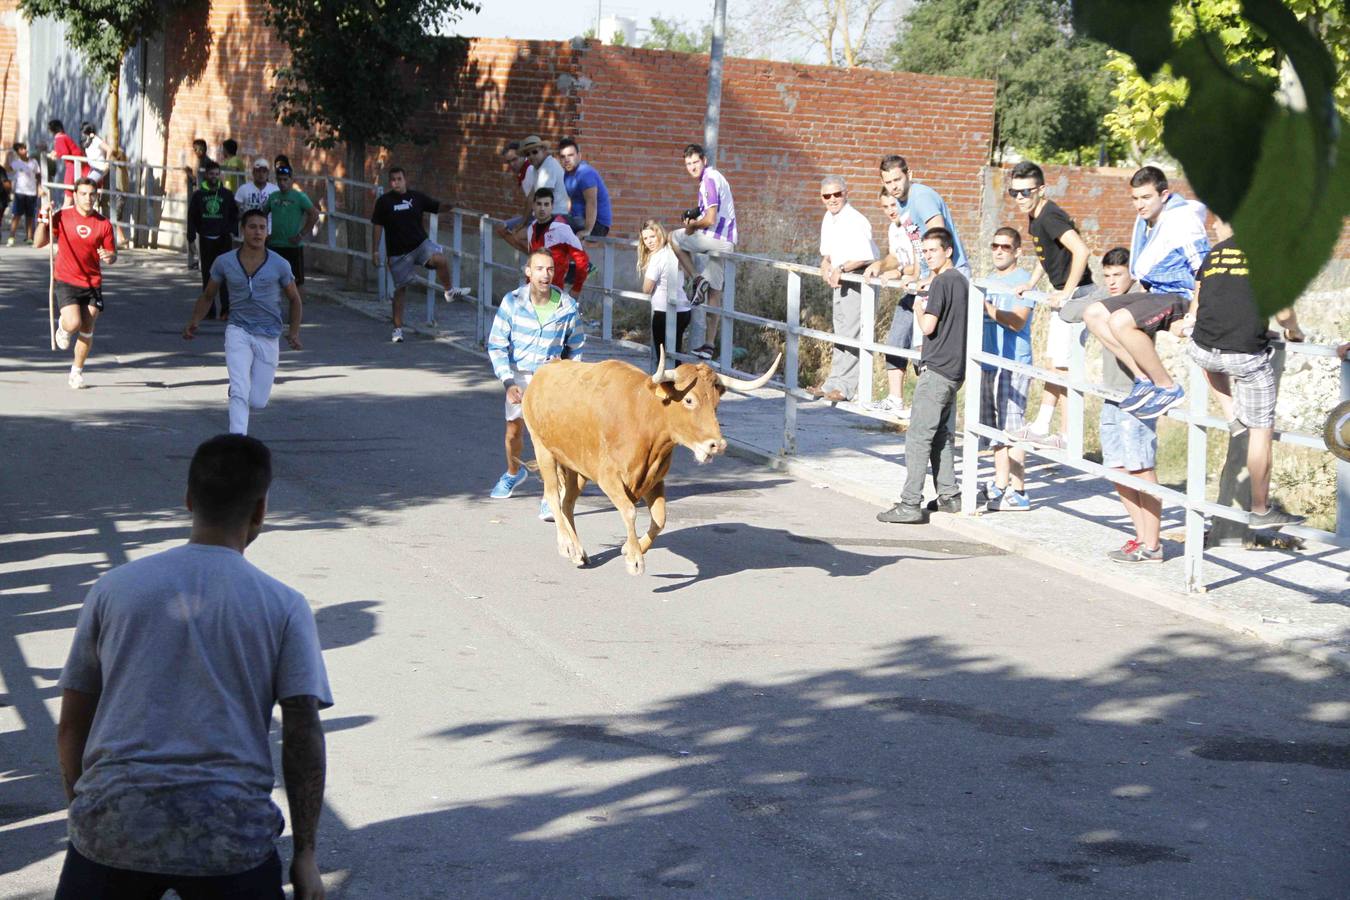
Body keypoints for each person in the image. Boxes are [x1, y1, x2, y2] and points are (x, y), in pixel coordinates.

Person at [54, 434, 330, 900]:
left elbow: (71, 725)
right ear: (261, 509)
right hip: (229, 833)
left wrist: (89, 816)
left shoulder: (114, 589)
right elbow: (303, 733)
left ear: (187, 499)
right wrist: (305, 853)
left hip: (115, 820)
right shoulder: (284, 605)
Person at [1185, 218, 1306, 527]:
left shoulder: (1216, 252)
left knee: (1207, 354)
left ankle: (1231, 414)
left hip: (1202, 349)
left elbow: (1198, 301)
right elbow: (1283, 313)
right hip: (1244, 357)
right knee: (1261, 430)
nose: (1213, 225)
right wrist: (1294, 332)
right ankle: (1261, 509)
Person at [1079, 166, 1210, 422]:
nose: (1139, 204)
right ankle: (1144, 378)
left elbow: (1204, 270)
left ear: (1163, 195)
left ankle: (1168, 387)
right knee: (1093, 313)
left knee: (1121, 321)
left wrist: (1193, 315)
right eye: (1135, 198)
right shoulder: (1145, 222)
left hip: (1180, 295)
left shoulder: (1183, 220)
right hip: (1157, 295)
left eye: (1146, 197)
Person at [877, 228, 969, 524]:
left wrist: (919, 307)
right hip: (955, 369)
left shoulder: (941, 282)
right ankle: (949, 495)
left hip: (937, 368)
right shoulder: (963, 282)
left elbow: (928, 327)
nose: (929, 256)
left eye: (933, 251)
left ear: (948, 251)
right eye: (925, 252)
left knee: (918, 437)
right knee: (942, 435)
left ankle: (909, 503)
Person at [183, 209, 304, 435]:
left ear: (267, 232)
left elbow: (295, 299)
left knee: (258, 401)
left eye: (262, 228)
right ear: (242, 230)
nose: (257, 232)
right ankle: (237, 440)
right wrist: (194, 320)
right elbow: (209, 295)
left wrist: (294, 332)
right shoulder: (224, 262)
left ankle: (239, 389)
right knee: (240, 390)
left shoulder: (280, 264)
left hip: (268, 335)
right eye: (252, 227)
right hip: (238, 330)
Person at [486, 249, 586, 520]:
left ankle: (549, 495)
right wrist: (508, 381)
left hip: (550, 380)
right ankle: (512, 473)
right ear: (528, 272)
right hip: (518, 375)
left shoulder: (566, 306)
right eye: (540, 269)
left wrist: (566, 369)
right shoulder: (513, 302)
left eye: (550, 269)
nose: (546, 274)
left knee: (546, 439)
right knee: (513, 432)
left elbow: (576, 346)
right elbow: (496, 345)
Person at [1005, 161, 1096, 449]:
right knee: (1053, 364)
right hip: (1066, 294)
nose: (1020, 198)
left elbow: (1082, 251)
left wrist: (1067, 292)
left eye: (1026, 192)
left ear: (1041, 190)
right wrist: (1031, 283)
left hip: (1079, 294)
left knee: (1064, 367)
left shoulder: (1050, 216)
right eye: (1014, 192)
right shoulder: (1035, 216)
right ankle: (1043, 426)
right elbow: (1046, 256)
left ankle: (1068, 435)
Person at [1094, 247, 1166, 563]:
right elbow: (1071, 311)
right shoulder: (1104, 301)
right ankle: (1140, 537)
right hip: (1111, 393)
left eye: (1117, 275)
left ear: (1131, 274)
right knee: (1116, 468)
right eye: (1107, 275)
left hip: (1138, 395)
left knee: (1141, 467)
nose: (1111, 282)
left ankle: (1153, 544)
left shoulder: (1140, 304)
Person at [33, 179, 116, 389]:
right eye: (83, 194)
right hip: (66, 279)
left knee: (87, 327)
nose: (88, 198)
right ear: (76, 195)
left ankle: (76, 372)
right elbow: (38, 242)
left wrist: (109, 257)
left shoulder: (103, 223)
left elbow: (112, 254)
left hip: (92, 282)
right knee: (73, 323)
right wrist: (43, 220)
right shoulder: (63, 216)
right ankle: (63, 328)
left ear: (97, 196)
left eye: (92, 194)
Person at [977, 227, 1034, 511]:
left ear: (1017, 252)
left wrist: (990, 311)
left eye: (1006, 247)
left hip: (1014, 362)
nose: (999, 251)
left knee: (1012, 428)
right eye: (995, 245)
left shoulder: (1024, 280)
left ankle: (1020, 491)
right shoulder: (986, 281)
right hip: (989, 360)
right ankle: (1000, 484)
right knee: (996, 430)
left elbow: (1019, 321)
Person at [810, 175, 878, 402]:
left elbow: (864, 257)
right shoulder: (829, 218)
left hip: (857, 279)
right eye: (827, 195)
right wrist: (826, 263)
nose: (832, 199)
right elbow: (828, 251)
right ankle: (833, 382)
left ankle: (846, 388)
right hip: (840, 280)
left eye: (837, 194)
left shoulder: (855, 219)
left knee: (851, 333)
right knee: (840, 332)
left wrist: (839, 267)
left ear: (846, 193)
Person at [369, 166, 454, 342]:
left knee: (440, 259)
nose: (396, 183)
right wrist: (375, 250)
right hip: (398, 253)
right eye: (393, 180)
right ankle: (397, 329)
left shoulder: (417, 197)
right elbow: (377, 226)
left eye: (399, 179)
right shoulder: (384, 202)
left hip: (420, 246)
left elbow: (437, 207)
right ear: (390, 182)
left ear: (405, 180)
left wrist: (453, 205)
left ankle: (449, 291)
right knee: (400, 290)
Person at [669, 143, 738, 359]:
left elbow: (710, 219)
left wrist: (691, 226)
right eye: (688, 164)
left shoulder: (708, 180)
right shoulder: (718, 177)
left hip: (715, 238)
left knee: (674, 237)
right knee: (715, 291)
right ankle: (709, 346)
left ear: (704, 161)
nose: (692, 167)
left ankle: (696, 279)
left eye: (695, 162)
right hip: (729, 241)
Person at [864, 190, 922, 417]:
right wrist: (881, 265)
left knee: (922, 351)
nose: (890, 210)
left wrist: (899, 272)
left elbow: (923, 263)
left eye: (894, 205)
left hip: (927, 295)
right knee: (895, 340)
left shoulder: (914, 224)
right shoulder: (893, 227)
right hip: (910, 294)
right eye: (885, 206)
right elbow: (895, 256)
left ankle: (926, 408)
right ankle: (895, 399)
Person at [878, 154, 969, 280]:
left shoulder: (922, 198)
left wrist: (932, 277)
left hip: (948, 273)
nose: (893, 186)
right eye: (888, 182)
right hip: (929, 274)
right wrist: (916, 274)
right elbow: (916, 241)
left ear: (909, 175)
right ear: (882, 183)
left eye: (897, 179)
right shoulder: (900, 202)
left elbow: (939, 236)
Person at [500, 189, 590, 298]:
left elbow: (582, 261)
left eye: (546, 204)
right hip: (532, 293)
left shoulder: (562, 229)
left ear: (552, 206)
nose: (542, 208)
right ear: (533, 206)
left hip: (553, 294)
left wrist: (576, 289)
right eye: (539, 204)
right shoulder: (531, 229)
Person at [187, 160, 240, 320]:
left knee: (224, 274)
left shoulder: (226, 194)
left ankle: (226, 309)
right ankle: (209, 310)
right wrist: (191, 236)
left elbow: (234, 214)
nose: (214, 177)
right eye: (211, 174)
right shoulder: (198, 195)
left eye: (217, 174)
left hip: (223, 239)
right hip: (206, 238)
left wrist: (232, 232)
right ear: (206, 175)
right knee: (208, 274)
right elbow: (192, 217)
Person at [638, 218, 692, 368]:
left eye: (652, 236)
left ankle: (668, 388)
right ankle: (678, 384)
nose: (649, 242)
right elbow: (687, 275)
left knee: (662, 357)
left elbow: (646, 288)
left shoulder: (657, 258)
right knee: (674, 353)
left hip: (664, 312)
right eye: (645, 239)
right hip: (684, 310)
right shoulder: (674, 252)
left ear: (660, 234)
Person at [265, 165, 319, 295]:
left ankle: (297, 314)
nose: (282, 183)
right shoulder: (273, 197)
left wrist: (301, 234)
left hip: (293, 246)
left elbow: (314, 214)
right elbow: (262, 215)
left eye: (285, 180)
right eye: (279, 180)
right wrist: (265, 234)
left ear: (291, 179)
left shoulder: (300, 197)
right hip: (274, 246)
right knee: (272, 282)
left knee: (297, 284)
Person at [558, 137, 612, 239]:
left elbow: (591, 203)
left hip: (597, 225)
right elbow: (571, 200)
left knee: (554, 225)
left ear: (579, 156)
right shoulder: (567, 174)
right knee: (552, 223)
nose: (566, 160)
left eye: (570, 155)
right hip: (579, 219)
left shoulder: (585, 173)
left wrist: (587, 231)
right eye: (563, 156)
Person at [513, 135, 570, 224]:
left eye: (535, 152)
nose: (531, 156)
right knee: (503, 227)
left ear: (543, 150)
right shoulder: (538, 167)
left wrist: (524, 223)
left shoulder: (548, 166)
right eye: (528, 154)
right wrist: (523, 222)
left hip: (556, 216)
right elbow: (531, 197)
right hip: (545, 214)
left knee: (518, 234)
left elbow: (543, 200)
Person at [183, 139, 214, 270]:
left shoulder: (207, 163)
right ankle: (197, 259)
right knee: (195, 231)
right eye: (195, 149)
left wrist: (191, 176)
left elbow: (203, 183)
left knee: (202, 232)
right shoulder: (201, 162)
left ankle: (202, 261)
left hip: (204, 200)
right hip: (200, 198)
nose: (196, 152)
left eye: (198, 149)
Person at [7, 142, 41, 245]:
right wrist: (8, 158)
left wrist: (39, 187)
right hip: (20, 192)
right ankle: (11, 237)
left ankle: (29, 237)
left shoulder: (33, 162)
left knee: (30, 216)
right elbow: (8, 169)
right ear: (18, 152)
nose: (24, 151)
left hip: (31, 193)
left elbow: (38, 175)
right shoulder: (17, 163)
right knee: (16, 215)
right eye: (21, 149)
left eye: (25, 148)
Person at [235, 158, 279, 230]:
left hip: (269, 230)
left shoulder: (275, 190)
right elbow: (236, 209)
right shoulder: (243, 189)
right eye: (258, 171)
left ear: (268, 173)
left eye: (264, 171)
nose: (261, 174)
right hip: (249, 229)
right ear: (253, 172)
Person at [49, 119, 82, 205]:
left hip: (73, 165)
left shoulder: (60, 138)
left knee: (69, 189)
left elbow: (64, 152)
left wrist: (56, 154)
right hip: (76, 165)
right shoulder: (64, 137)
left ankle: (65, 211)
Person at [500, 141, 531, 231]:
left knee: (508, 230)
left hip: (543, 217)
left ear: (523, 155)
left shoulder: (530, 169)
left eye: (514, 159)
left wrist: (523, 222)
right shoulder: (523, 171)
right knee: (502, 227)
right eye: (509, 162)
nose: (512, 164)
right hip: (535, 215)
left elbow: (531, 200)